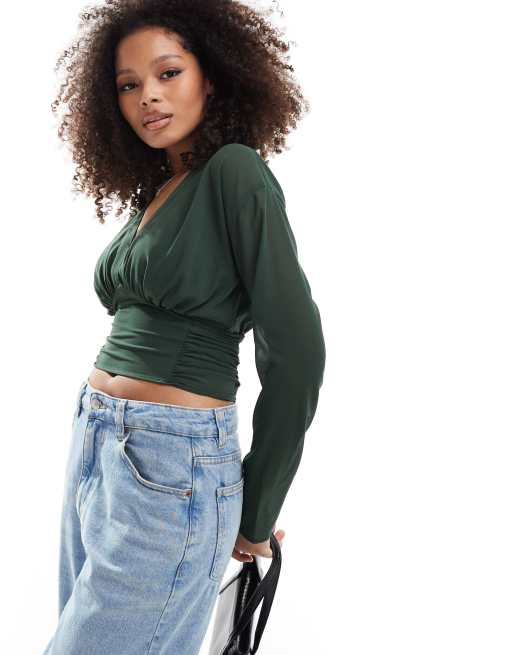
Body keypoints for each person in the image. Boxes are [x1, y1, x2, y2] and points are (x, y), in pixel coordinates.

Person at [42, 1, 325, 653]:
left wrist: (258, 506)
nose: (148, 95)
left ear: (214, 76)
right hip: (98, 439)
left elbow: (297, 352)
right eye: (129, 84)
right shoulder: (162, 187)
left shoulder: (235, 171)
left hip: (173, 460)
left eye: (168, 73)